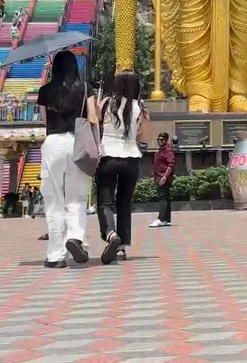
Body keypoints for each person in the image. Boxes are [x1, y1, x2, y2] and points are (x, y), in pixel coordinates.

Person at [36, 50, 93, 268]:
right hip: (77, 142)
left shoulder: (45, 90)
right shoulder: (85, 88)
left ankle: (56, 255)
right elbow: (93, 118)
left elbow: (44, 121)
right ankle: (75, 237)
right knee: (77, 197)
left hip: (53, 143)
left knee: (54, 200)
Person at [96, 70, 146, 265]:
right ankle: (121, 247)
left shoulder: (106, 103)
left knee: (105, 202)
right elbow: (146, 137)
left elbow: (95, 124)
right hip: (132, 158)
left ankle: (111, 233)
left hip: (108, 156)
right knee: (124, 203)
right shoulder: (141, 107)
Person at [150, 131, 176, 228]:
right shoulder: (161, 150)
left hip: (163, 178)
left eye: (162, 140)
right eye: (158, 139)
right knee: (166, 198)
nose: (159, 141)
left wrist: (164, 177)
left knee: (163, 198)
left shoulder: (167, 150)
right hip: (159, 176)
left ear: (166, 140)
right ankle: (166, 219)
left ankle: (160, 219)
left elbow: (171, 165)